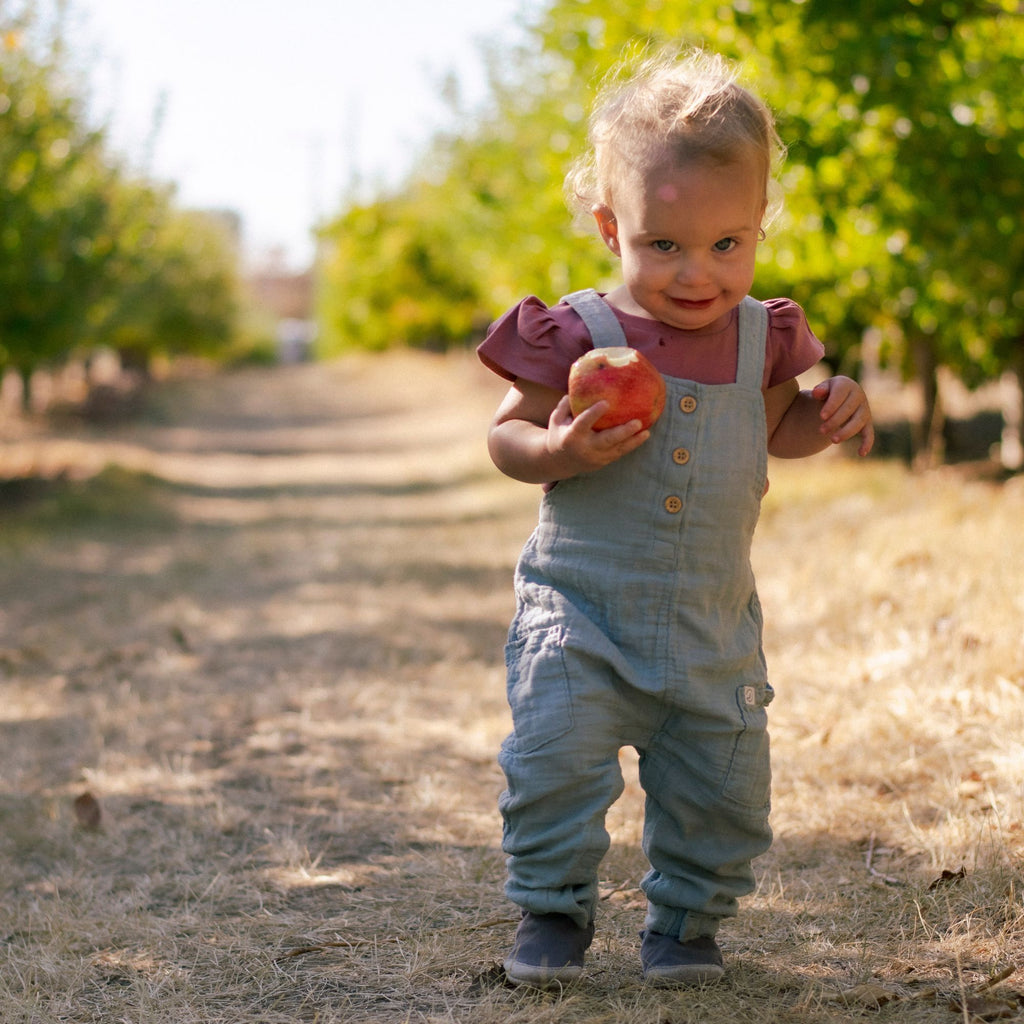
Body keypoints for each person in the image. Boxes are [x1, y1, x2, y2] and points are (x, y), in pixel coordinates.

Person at [477, 47, 874, 989]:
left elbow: (779, 428)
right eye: (665, 246)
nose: (698, 273)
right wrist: (559, 451)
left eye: (726, 245)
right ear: (613, 228)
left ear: (757, 226)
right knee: (555, 764)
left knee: (721, 790)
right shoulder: (576, 334)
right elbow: (506, 437)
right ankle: (552, 908)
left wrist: (829, 413)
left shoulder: (764, 336)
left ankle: (688, 922)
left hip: (711, 623)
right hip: (580, 611)